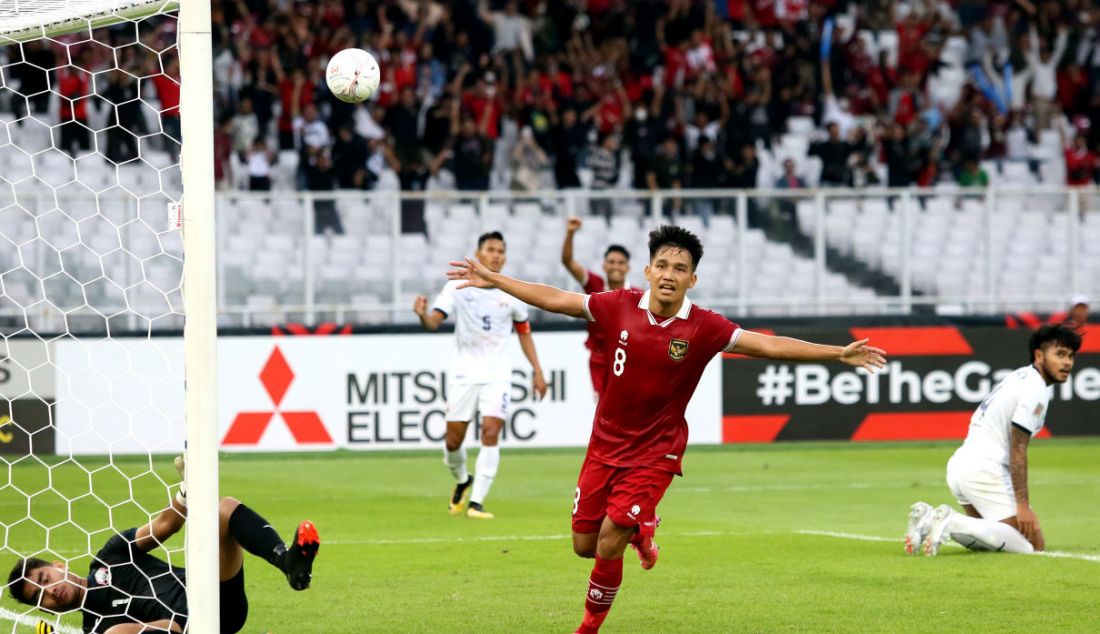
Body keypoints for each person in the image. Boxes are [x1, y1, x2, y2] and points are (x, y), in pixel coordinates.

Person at [445, 225, 886, 633]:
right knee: (585, 545)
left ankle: (589, 627)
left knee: (610, 536)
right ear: (648, 270)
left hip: (657, 452)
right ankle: (644, 528)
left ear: (692, 279)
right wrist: (498, 279)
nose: (670, 275)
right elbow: (556, 298)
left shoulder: (705, 326)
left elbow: (768, 344)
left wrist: (836, 353)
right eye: (663, 265)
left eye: (681, 268)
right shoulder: (617, 305)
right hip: (604, 448)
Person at [6, 456, 319, 633]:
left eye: (45, 580)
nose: (51, 592)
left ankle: (289, 563)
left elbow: (164, 526)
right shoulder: (95, 628)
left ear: (58, 565)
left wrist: (186, 490)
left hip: (216, 600)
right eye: (41, 598)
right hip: (184, 629)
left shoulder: (109, 556)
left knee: (221, 509)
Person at [907, 325, 1081, 557]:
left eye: (1070, 356)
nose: (1067, 362)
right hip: (985, 469)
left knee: (987, 538)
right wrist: (1023, 506)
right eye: (1060, 354)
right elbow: (1018, 450)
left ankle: (927, 521)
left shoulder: (1019, 376)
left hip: (960, 465)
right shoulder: (1035, 389)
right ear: (1039, 355)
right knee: (1033, 546)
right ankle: (950, 521)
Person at [413, 231, 549, 519]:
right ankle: (464, 480)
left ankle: (477, 503)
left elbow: (524, 333)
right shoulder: (458, 287)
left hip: (497, 374)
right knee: (452, 442)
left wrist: (537, 370)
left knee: (491, 431)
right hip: (464, 373)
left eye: (501, 250)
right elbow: (433, 323)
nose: (496, 255)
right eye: (491, 249)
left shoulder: (512, 291)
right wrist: (422, 315)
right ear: (479, 253)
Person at [559, 217, 631, 399]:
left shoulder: (637, 296)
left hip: (628, 359)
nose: (616, 266)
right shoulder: (594, 284)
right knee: (602, 407)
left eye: (620, 263)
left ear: (627, 267)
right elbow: (567, 261)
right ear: (604, 265)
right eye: (612, 262)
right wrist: (570, 233)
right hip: (599, 359)